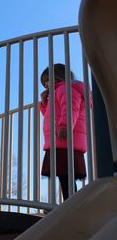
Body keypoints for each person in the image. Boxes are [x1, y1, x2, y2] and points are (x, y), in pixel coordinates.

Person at [39, 63, 89, 201]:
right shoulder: (58, 91)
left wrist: (65, 126)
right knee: (64, 176)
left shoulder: (65, 89)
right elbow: (51, 115)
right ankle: (70, 203)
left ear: (57, 76)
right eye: (44, 83)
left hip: (65, 140)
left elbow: (71, 107)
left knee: (66, 177)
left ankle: (72, 204)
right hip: (61, 140)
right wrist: (44, 103)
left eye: (46, 81)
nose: (45, 85)